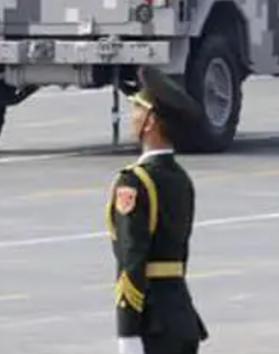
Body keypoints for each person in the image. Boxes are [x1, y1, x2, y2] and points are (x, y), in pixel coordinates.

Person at [109, 68, 210, 354]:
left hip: (151, 326)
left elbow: (132, 258)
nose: (132, 116)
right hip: (181, 317)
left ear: (151, 121)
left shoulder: (134, 181)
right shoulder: (181, 179)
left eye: (137, 109)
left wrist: (127, 332)